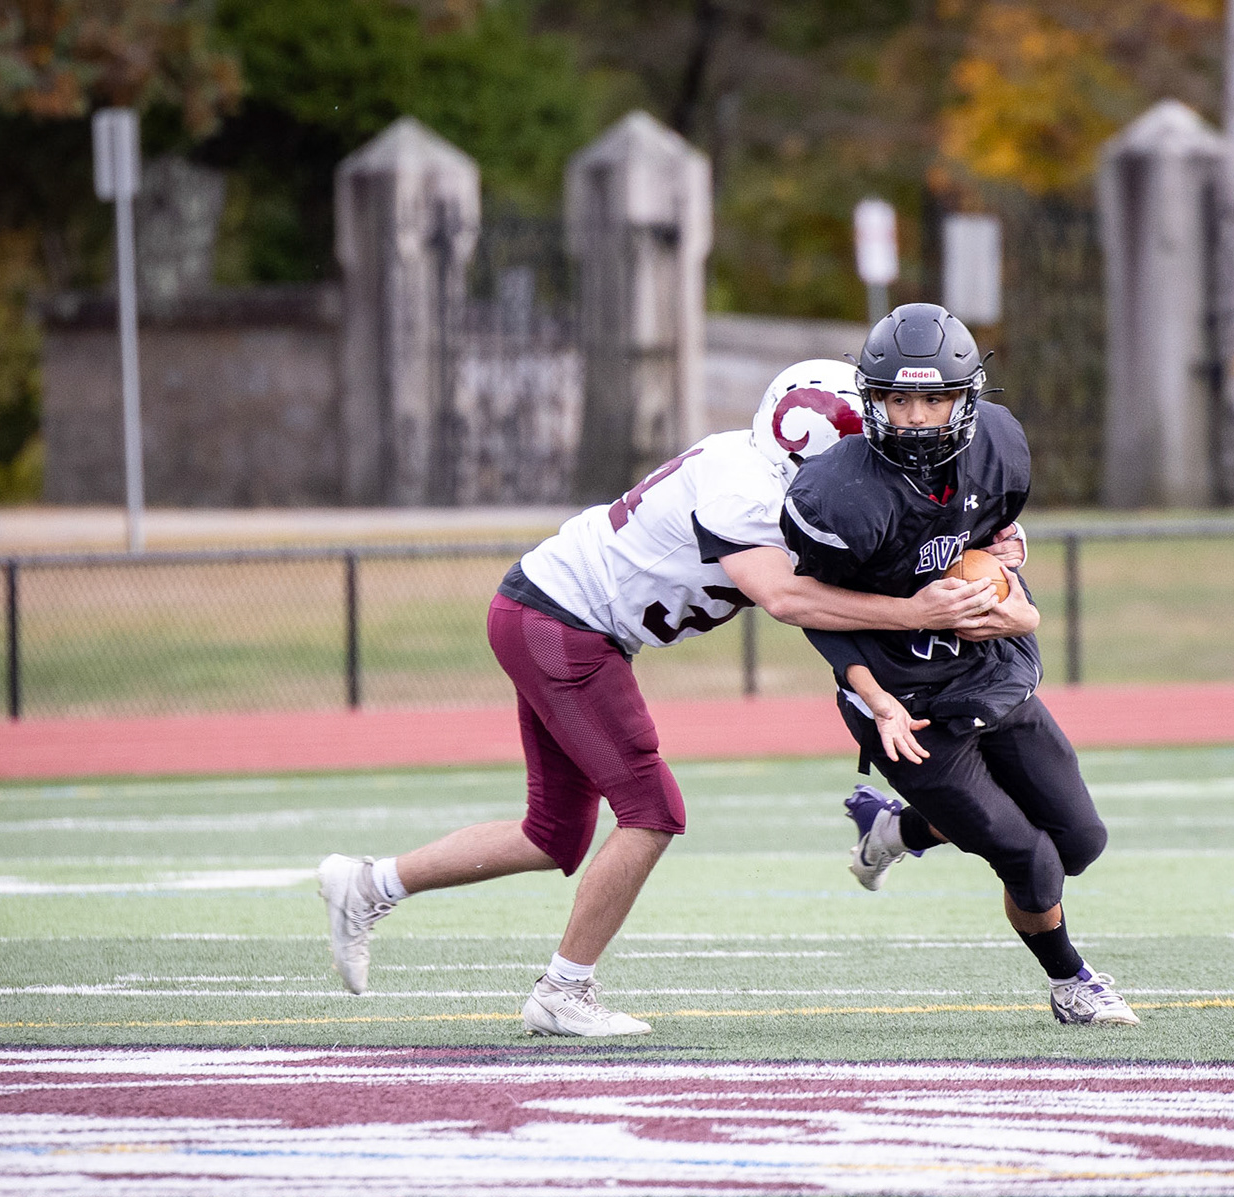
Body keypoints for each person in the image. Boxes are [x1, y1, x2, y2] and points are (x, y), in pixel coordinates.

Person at [316, 358, 1000, 1038]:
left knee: (553, 834)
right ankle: (564, 989)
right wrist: (916, 610)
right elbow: (788, 596)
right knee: (652, 811)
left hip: (550, 612)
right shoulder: (748, 491)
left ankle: (370, 884)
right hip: (564, 622)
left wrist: (985, 540)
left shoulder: (758, 461)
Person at [780, 303, 1140, 1027]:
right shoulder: (839, 495)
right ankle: (1072, 981)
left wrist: (1016, 594)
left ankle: (896, 830)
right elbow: (811, 605)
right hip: (904, 703)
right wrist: (872, 696)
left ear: (967, 399)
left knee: (1080, 841)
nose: (916, 417)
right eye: (899, 399)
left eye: (935, 397)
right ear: (871, 401)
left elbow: (988, 539)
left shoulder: (998, 447)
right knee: (1030, 858)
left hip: (984, 668)